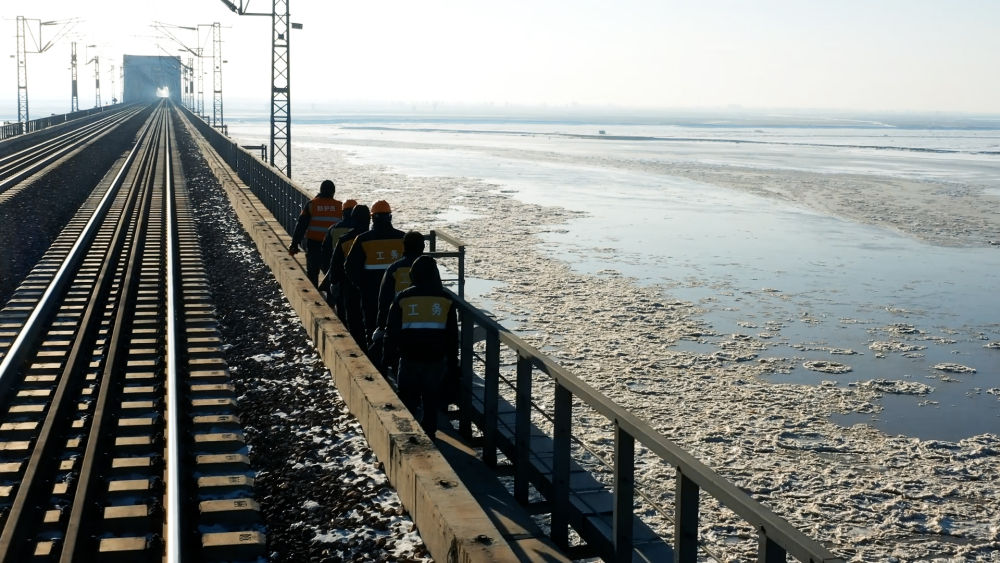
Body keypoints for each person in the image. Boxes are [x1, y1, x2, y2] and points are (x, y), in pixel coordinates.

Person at [382, 256, 458, 439]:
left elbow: (392, 330)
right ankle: (430, 433)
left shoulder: (404, 297)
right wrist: (453, 362)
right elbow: (452, 335)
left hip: (409, 357)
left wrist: (386, 357)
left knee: (407, 398)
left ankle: (409, 435)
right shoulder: (445, 299)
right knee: (431, 399)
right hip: (436, 359)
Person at [344, 200, 405, 349]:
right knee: (399, 329)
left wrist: (362, 285)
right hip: (399, 294)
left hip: (371, 294)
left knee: (371, 328)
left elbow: (350, 266)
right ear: (390, 217)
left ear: (373, 218)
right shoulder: (402, 238)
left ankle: (376, 362)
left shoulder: (363, 239)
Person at [322, 205, 370, 342]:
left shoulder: (344, 239)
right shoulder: (372, 239)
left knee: (351, 320)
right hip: (371, 289)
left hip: (348, 287)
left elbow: (334, 264)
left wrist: (333, 281)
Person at [288, 180, 343, 287]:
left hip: (314, 244)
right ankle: (330, 300)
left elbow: (301, 226)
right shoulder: (339, 206)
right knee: (330, 273)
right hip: (332, 247)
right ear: (333, 192)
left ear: (321, 190)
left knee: (312, 273)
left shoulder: (312, 204)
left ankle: (314, 295)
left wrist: (294, 244)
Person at [321, 198, 357, 273]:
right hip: (355, 267)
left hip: (337, 266)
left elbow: (325, 251)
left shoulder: (333, 229)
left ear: (342, 212)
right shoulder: (361, 229)